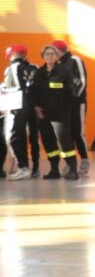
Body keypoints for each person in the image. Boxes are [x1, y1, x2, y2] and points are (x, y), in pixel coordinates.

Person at [32, 44, 80, 180]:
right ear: (43, 57)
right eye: (47, 54)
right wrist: (36, 107)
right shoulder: (39, 73)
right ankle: (54, 170)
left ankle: (72, 169)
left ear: (57, 56)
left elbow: (72, 91)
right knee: (48, 142)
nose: (50, 56)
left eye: (52, 53)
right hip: (43, 114)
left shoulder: (64, 71)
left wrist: (66, 109)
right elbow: (34, 92)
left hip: (60, 114)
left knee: (65, 142)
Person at [52, 40, 89, 174]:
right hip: (64, 106)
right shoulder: (57, 65)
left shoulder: (75, 60)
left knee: (78, 132)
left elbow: (82, 82)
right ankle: (70, 162)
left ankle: (84, 160)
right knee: (65, 135)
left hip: (77, 103)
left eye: (53, 51)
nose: (52, 54)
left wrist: (73, 99)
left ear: (59, 50)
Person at [3, 45, 37, 180]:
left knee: (13, 136)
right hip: (28, 105)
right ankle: (30, 167)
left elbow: (17, 87)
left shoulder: (13, 67)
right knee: (25, 136)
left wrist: (4, 91)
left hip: (17, 105)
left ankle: (22, 167)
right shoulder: (32, 67)